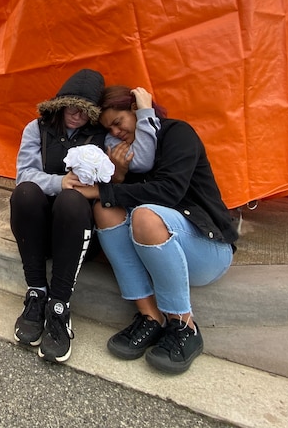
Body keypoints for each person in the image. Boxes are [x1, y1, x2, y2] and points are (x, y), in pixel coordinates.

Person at [74, 85, 238, 374]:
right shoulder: (125, 154)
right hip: (154, 248)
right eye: (108, 128)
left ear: (137, 111)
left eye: (118, 122)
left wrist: (105, 189)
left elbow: (168, 192)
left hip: (206, 249)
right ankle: (151, 317)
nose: (114, 133)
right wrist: (120, 176)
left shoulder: (177, 134)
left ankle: (184, 326)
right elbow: (124, 198)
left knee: (144, 216)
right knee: (104, 208)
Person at [10, 70, 159, 363]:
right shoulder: (36, 129)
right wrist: (59, 181)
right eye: (72, 107)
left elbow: (141, 161)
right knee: (26, 192)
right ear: (61, 104)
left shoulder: (101, 136)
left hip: (77, 232)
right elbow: (23, 174)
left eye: (85, 111)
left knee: (72, 199)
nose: (77, 115)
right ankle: (37, 293)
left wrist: (145, 113)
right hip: (39, 231)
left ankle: (59, 306)